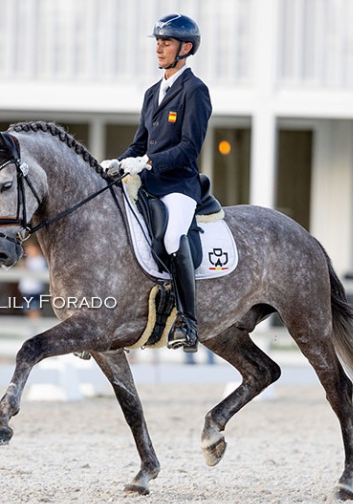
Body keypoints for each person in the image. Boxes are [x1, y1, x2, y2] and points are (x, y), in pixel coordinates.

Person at [102, 13, 211, 353]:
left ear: (186, 47)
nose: (159, 48)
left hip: (179, 186)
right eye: (158, 42)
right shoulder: (153, 93)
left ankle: (188, 323)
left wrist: (147, 161)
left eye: (166, 42)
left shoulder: (195, 91)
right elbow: (140, 142)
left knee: (173, 240)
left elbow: (189, 148)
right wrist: (120, 162)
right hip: (147, 185)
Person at [18, 241, 48, 319]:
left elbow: (37, 273)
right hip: (26, 291)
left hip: (34, 291)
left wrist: (24, 265)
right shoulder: (28, 260)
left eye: (30, 248)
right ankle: (30, 329)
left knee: (34, 310)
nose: (28, 251)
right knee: (27, 310)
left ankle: (36, 329)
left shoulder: (40, 260)